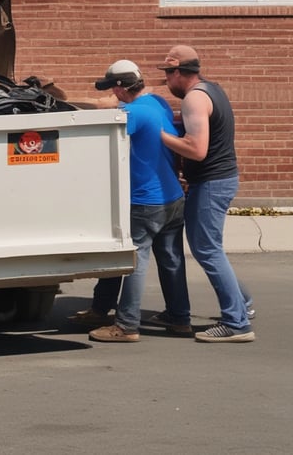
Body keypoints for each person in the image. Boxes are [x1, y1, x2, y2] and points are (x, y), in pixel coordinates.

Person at [79, 60, 192, 342]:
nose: (112, 95)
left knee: (133, 261)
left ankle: (127, 325)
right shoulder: (158, 103)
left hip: (145, 201)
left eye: (112, 89)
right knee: (171, 260)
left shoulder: (130, 114)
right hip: (173, 197)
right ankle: (180, 318)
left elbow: (101, 130)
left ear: (119, 88)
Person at [159, 45, 255, 343]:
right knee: (210, 248)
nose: (166, 82)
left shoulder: (194, 99)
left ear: (178, 72)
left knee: (207, 250)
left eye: (167, 75)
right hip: (219, 180)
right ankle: (243, 304)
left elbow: (197, 150)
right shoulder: (211, 89)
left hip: (212, 183)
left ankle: (236, 323)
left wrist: (157, 132)